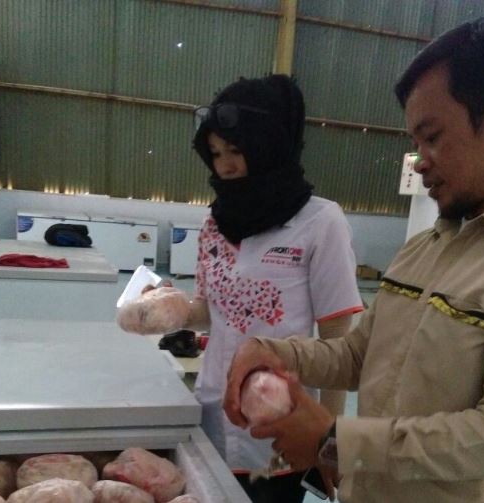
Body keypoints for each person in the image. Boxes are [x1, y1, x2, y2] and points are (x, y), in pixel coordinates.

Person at [223, 17, 484, 503]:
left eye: (432, 137)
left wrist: (336, 443)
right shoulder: (428, 246)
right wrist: (274, 351)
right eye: (415, 143)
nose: (420, 161)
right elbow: (356, 356)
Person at [118, 74, 364, 503]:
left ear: (269, 144)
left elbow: (339, 345)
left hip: (277, 422)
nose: (224, 165)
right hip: (212, 404)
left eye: (236, 150)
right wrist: (173, 309)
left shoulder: (320, 223)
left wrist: (328, 441)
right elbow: (211, 310)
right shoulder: (216, 222)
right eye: (215, 153)